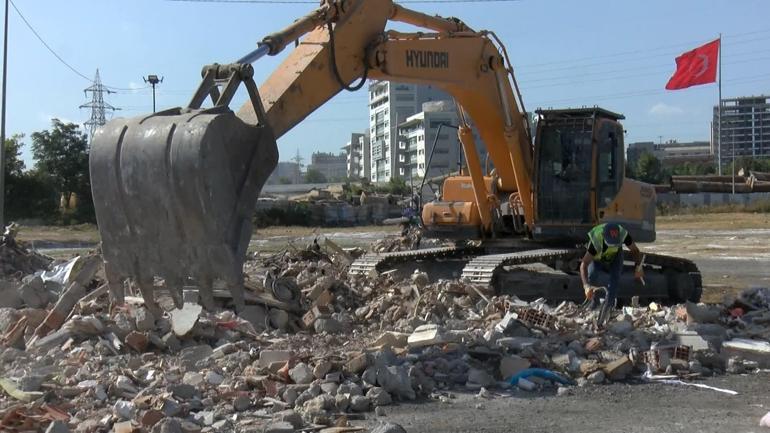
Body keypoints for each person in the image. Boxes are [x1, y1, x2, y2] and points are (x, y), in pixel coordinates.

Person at [579, 222, 644, 309]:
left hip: (616, 256)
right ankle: (594, 303)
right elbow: (584, 264)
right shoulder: (596, 241)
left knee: (615, 277)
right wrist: (586, 286)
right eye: (610, 243)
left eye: (615, 243)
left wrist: (638, 267)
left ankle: (609, 306)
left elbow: (635, 250)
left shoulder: (622, 234)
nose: (612, 245)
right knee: (592, 274)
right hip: (598, 258)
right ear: (603, 236)